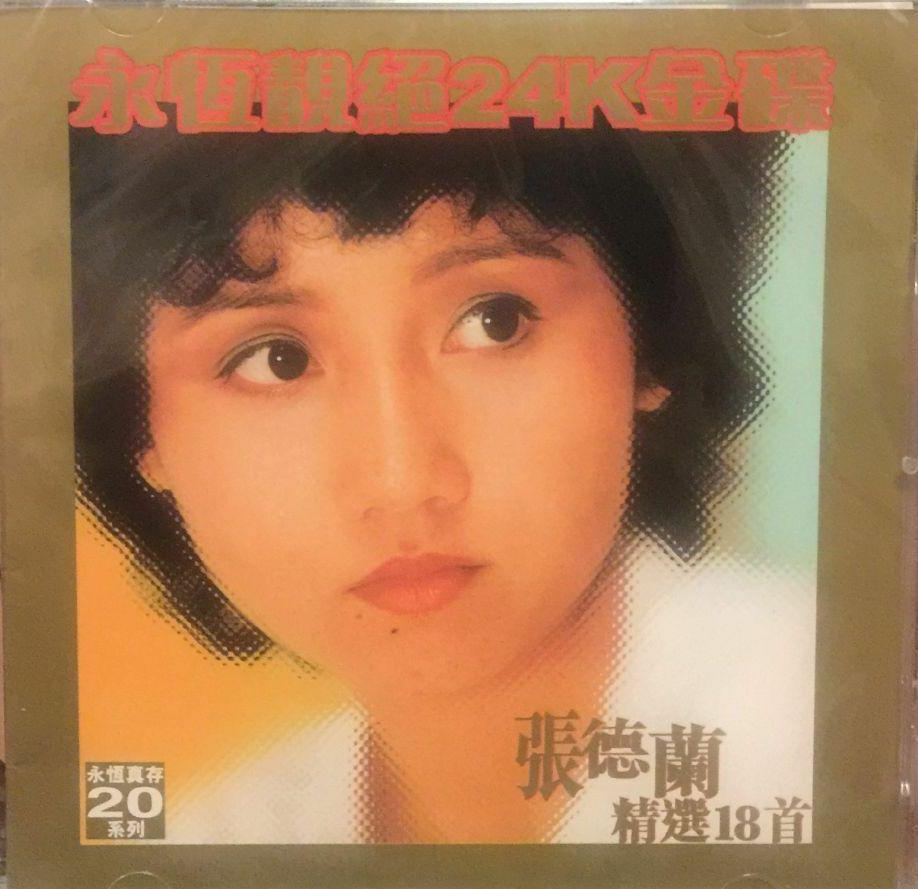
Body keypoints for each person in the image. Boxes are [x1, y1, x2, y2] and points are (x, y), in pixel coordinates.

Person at [71, 121, 797, 843]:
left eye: (495, 321)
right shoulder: (208, 845)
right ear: (141, 431)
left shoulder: (816, 729)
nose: (402, 481)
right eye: (276, 360)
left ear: (651, 339)